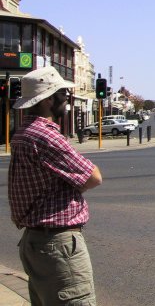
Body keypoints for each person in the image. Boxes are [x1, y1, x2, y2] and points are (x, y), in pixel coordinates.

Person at [8, 66, 103, 305]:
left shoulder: (22, 133)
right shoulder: (46, 135)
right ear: (49, 99)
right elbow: (93, 177)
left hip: (34, 241)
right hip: (58, 246)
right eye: (63, 94)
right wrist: (74, 187)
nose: (67, 99)